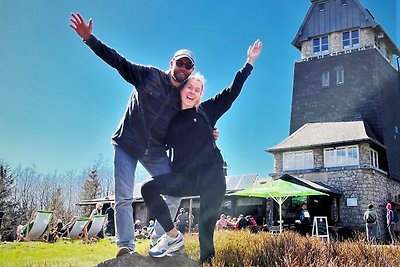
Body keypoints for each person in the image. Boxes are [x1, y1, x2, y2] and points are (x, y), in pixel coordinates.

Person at [69, 13, 203, 257]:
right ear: (171, 62)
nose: (183, 68)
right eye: (179, 63)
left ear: (191, 70)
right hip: (127, 144)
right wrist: (90, 40)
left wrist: (209, 132)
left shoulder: (183, 98)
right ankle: (126, 247)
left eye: (188, 65)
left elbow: (190, 127)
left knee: (175, 192)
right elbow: (118, 61)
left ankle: (158, 242)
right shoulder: (148, 75)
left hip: (155, 151)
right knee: (123, 197)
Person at [141, 39, 262, 264]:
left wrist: (249, 62)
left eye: (198, 90)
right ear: (182, 89)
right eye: (190, 87)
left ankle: (207, 262)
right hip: (184, 178)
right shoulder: (170, 119)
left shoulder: (207, 110)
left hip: (211, 177)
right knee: (148, 188)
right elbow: (155, 142)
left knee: (206, 232)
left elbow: (231, 92)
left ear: (200, 95)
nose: (193, 92)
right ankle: (172, 236)